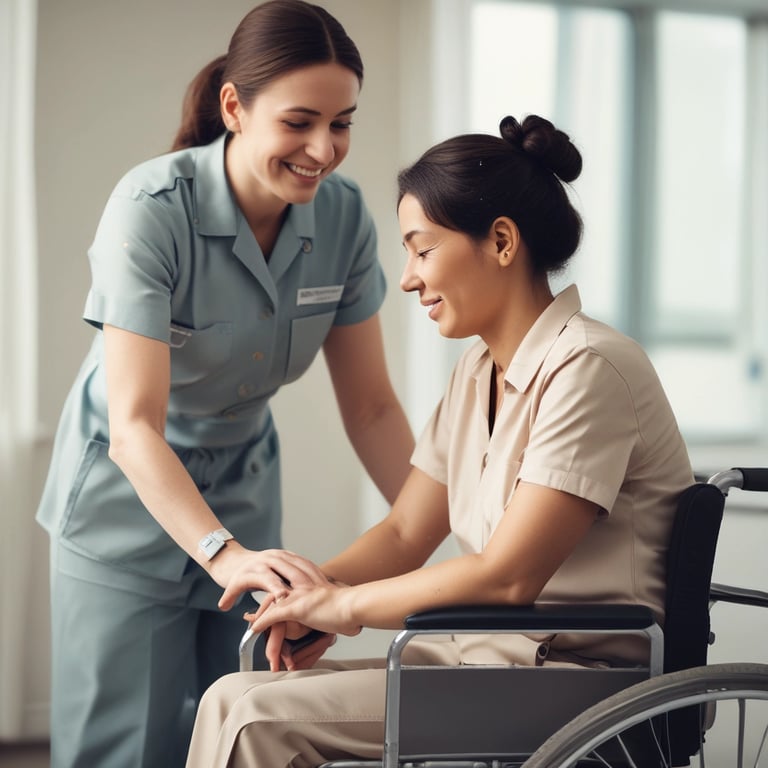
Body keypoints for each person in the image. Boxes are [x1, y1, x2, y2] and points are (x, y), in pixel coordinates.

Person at [183, 113, 695, 768]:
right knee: (230, 696)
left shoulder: (590, 367)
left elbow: (508, 579)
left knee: (258, 717)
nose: (406, 278)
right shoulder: (476, 372)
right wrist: (312, 595)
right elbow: (404, 534)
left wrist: (345, 606)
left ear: (502, 242)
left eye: (422, 249)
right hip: (480, 659)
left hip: (575, 682)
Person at [35, 2, 415, 766]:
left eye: (341, 123)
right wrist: (223, 554)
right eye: (299, 121)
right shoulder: (151, 212)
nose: (323, 149)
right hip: (125, 507)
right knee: (124, 749)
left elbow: (372, 410)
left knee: (241, 729)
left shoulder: (342, 220)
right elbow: (135, 426)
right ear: (234, 107)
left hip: (243, 491)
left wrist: (460, 533)